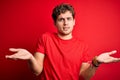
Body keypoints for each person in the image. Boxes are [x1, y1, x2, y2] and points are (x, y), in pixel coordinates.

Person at [5, 3, 120, 80]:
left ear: (74, 21)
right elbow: (37, 71)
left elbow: (85, 76)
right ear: (55, 23)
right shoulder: (46, 38)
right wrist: (30, 58)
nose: (65, 23)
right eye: (61, 19)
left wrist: (96, 63)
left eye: (69, 19)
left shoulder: (82, 45)